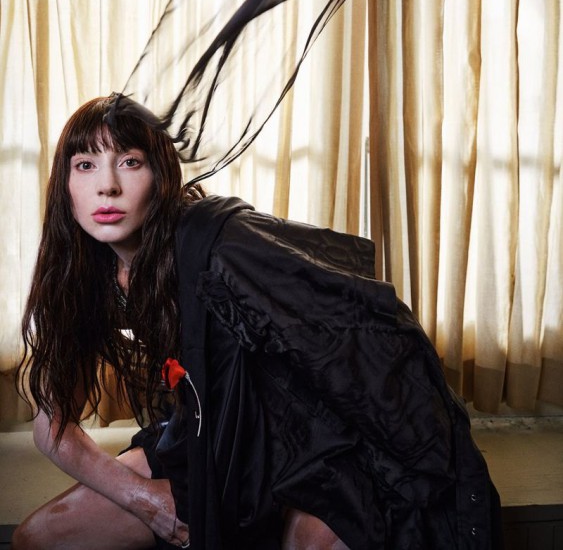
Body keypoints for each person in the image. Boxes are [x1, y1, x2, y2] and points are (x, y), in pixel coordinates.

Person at [13, 94, 503, 550]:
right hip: (209, 438)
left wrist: (434, 466)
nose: (108, 185)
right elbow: (52, 427)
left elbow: (369, 329)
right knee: (37, 538)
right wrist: (147, 500)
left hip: (301, 446)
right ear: (65, 185)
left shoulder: (219, 243)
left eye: (130, 162)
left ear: (161, 175)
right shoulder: (82, 274)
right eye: (86, 165)